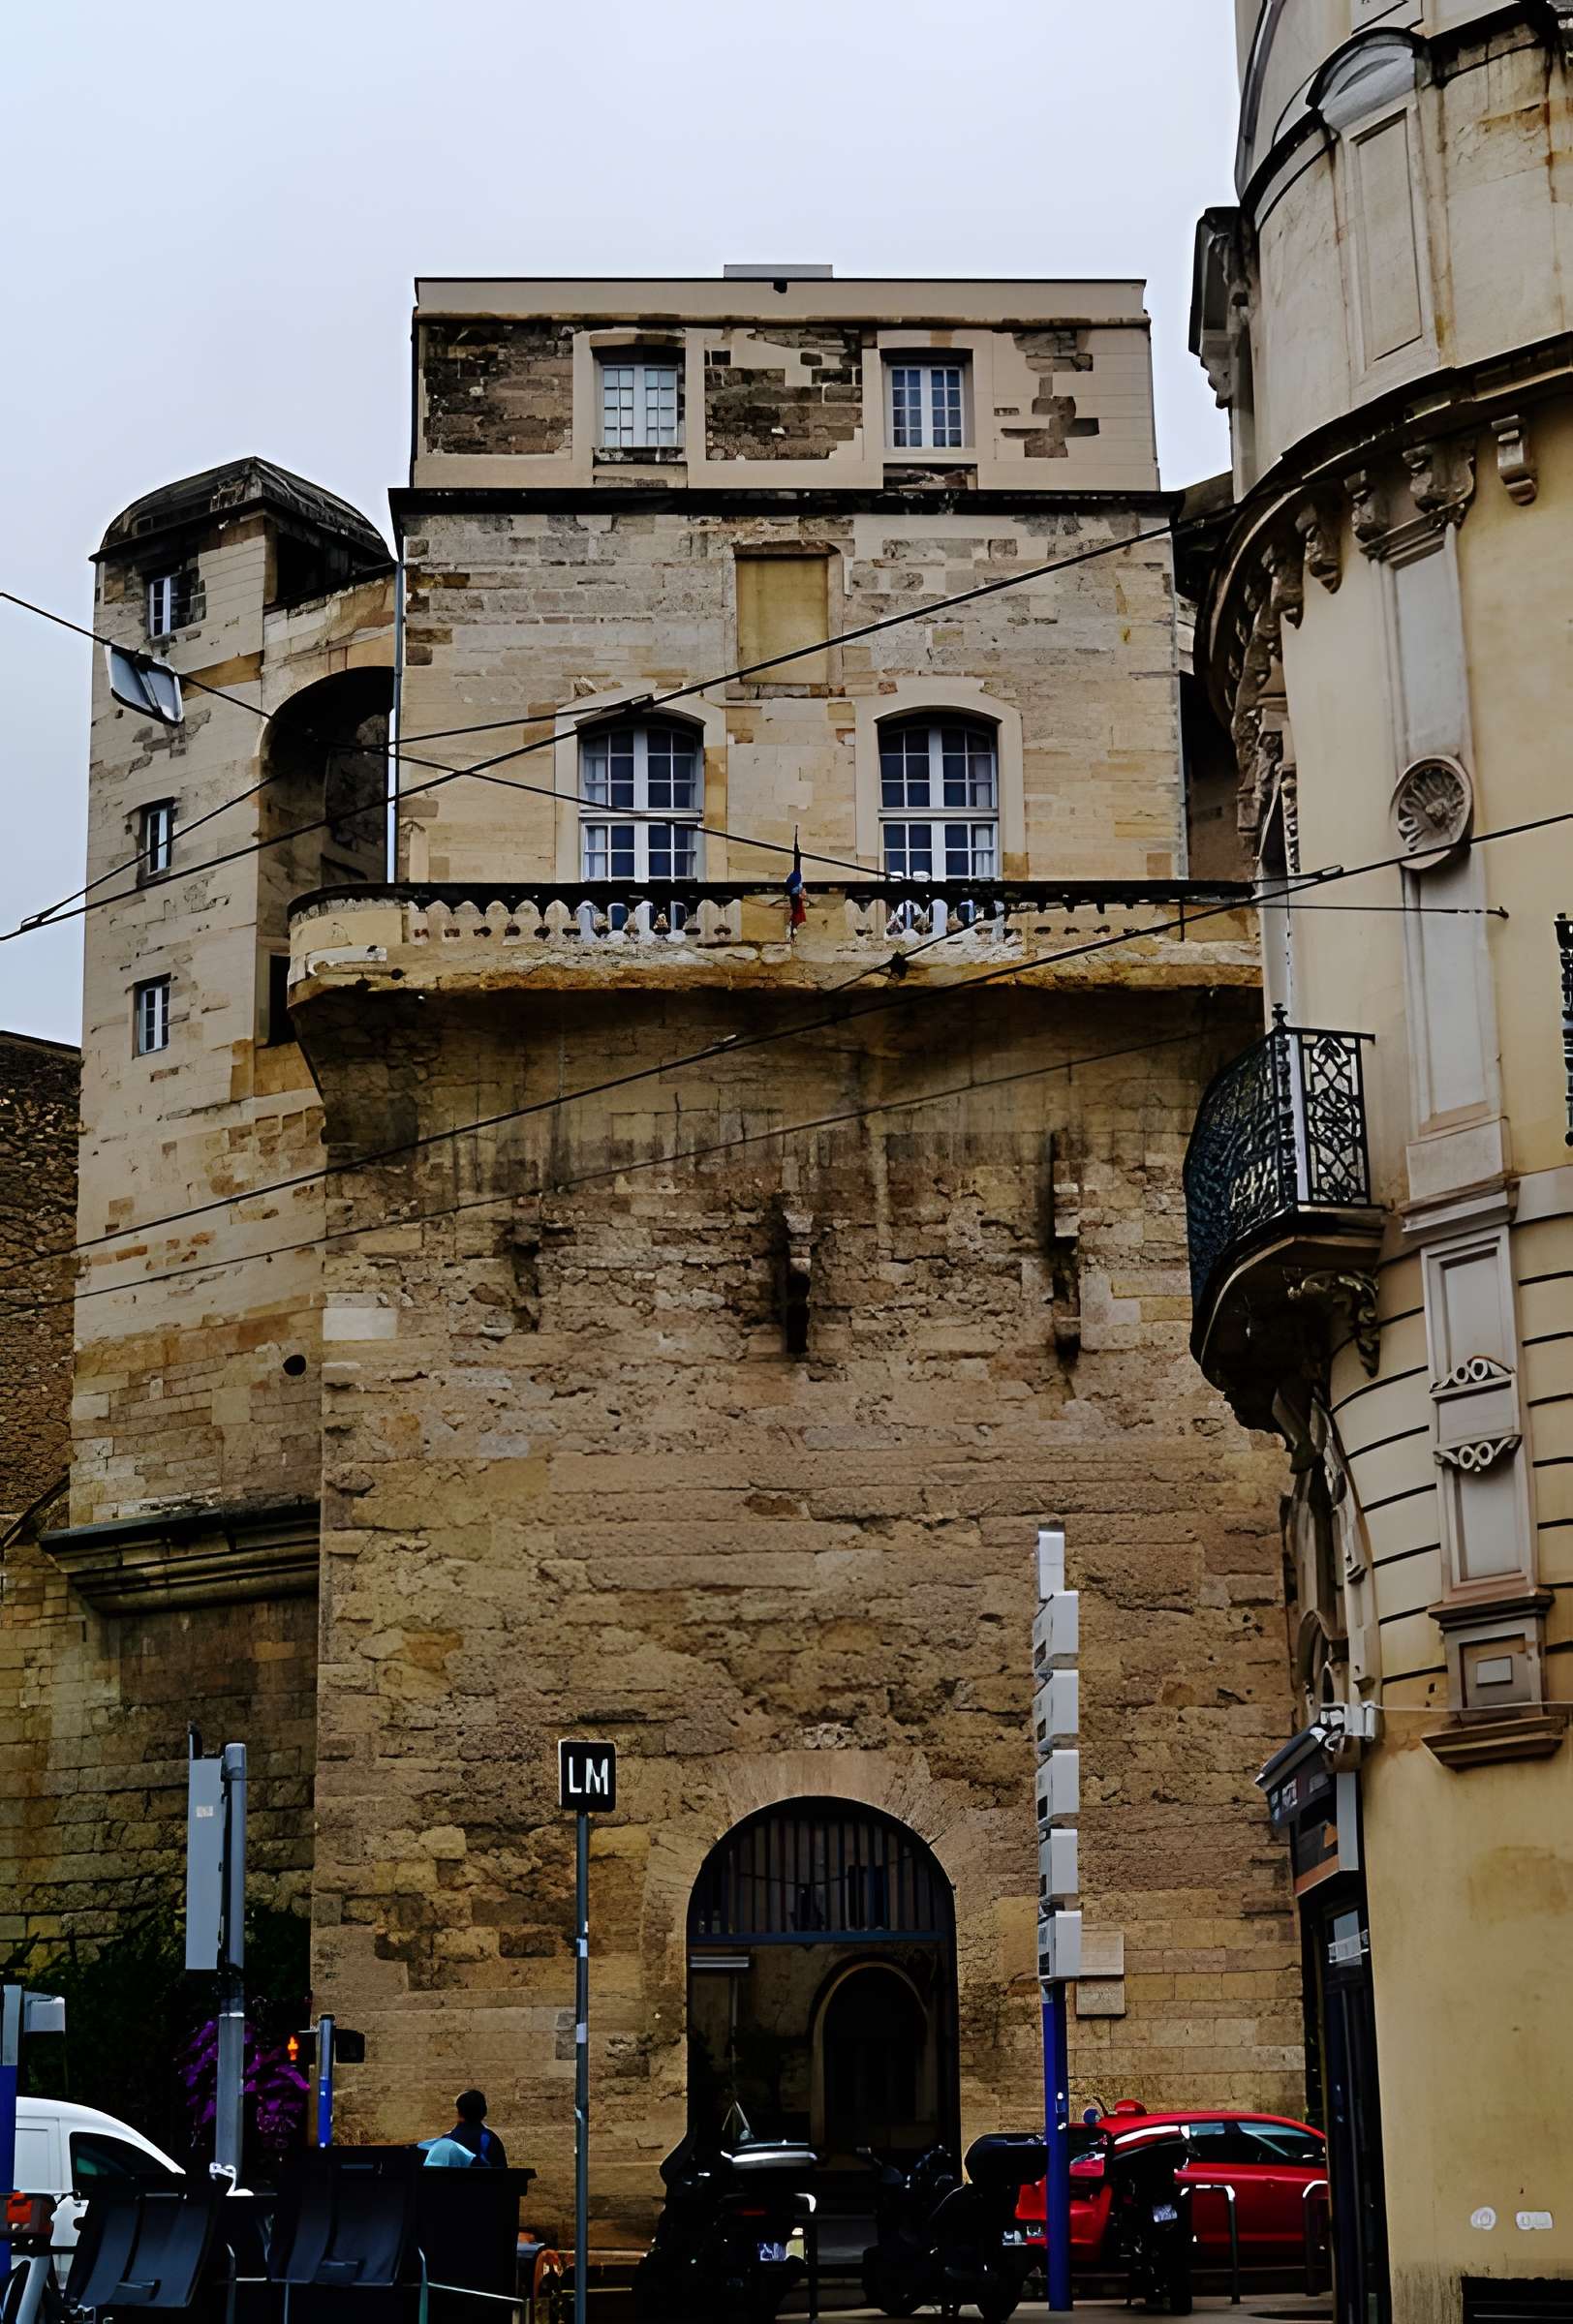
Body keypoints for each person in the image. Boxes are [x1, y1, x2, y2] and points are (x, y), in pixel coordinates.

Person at [447, 2089, 508, 2169]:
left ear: (459, 2112)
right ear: (483, 2112)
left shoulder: (446, 2139)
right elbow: (503, 2173)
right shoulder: (490, 2139)